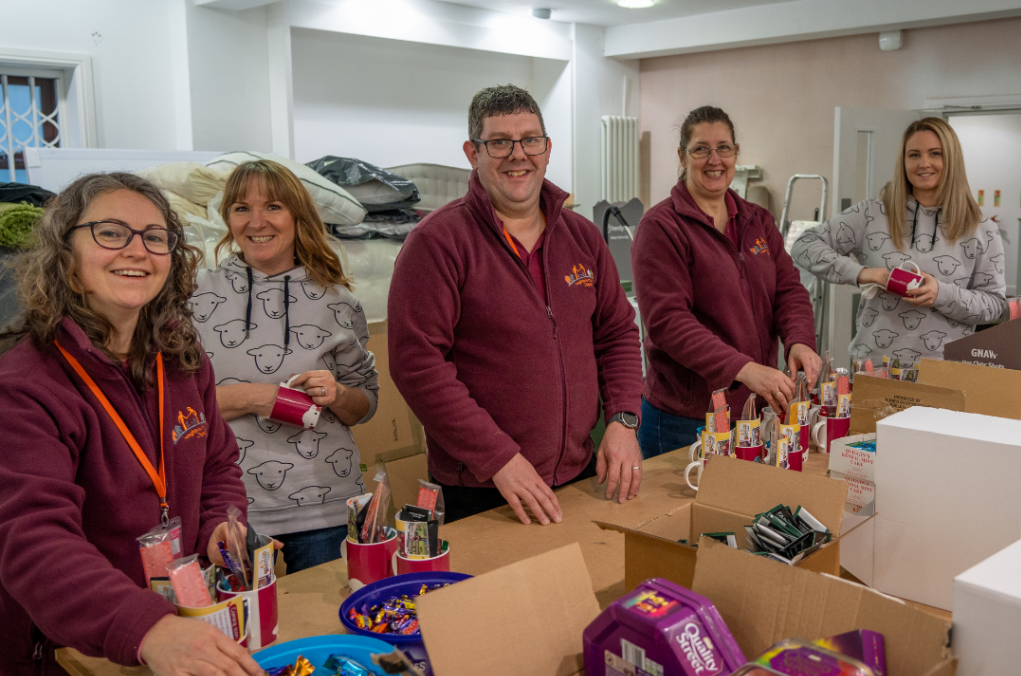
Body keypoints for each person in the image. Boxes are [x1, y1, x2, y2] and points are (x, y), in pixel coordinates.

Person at [0, 173, 264, 676]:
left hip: (169, 638)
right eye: (111, 232)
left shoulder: (182, 358)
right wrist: (148, 629)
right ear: (64, 255)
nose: (137, 250)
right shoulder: (23, 386)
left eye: (154, 236)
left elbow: (217, 465)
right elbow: (31, 539)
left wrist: (222, 523)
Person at [388, 84, 644, 526]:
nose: (518, 154)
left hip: (578, 474)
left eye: (530, 140)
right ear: (473, 152)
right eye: (500, 143)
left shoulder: (582, 236)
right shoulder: (437, 243)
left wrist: (623, 420)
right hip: (484, 489)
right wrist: (500, 458)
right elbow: (418, 365)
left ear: (547, 149)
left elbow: (617, 332)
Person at [194, 160, 378, 573]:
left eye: (273, 206)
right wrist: (256, 397)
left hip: (326, 509)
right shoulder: (195, 297)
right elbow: (171, 407)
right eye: (241, 208)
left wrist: (339, 394)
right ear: (227, 218)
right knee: (242, 634)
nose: (256, 221)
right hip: (228, 513)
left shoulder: (339, 301)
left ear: (299, 216)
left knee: (326, 624)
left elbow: (366, 406)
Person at [632, 105, 820, 459]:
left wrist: (800, 342)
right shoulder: (661, 228)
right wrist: (743, 369)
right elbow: (669, 322)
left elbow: (788, 291)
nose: (713, 159)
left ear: (736, 154)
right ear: (682, 157)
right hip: (686, 418)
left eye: (724, 148)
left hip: (752, 408)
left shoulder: (757, 221)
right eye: (701, 148)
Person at [792, 116, 1005, 364]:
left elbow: (995, 306)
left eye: (935, 153)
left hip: (947, 373)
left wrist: (941, 293)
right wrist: (864, 274)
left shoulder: (981, 227)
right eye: (914, 155)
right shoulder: (871, 213)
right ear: (903, 162)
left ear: (952, 159)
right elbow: (803, 245)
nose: (924, 163)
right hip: (874, 368)